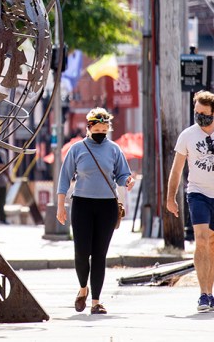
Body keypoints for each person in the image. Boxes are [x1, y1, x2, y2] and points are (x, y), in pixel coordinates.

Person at [166, 90, 214, 313]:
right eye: (196, 112)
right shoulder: (187, 136)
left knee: (213, 242)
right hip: (197, 193)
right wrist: (170, 197)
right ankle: (202, 295)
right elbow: (177, 168)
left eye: (204, 113)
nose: (200, 116)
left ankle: (210, 293)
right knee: (200, 239)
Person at [56, 108, 135, 315]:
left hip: (107, 206)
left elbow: (122, 174)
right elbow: (64, 178)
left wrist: (127, 180)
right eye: (97, 128)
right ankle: (83, 288)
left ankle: (96, 302)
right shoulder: (77, 149)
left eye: (104, 129)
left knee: (99, 255)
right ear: (89, 127)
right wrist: (60, 206)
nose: (101, 132)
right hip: (81, 204)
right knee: (82, 254)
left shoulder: (114, 149)